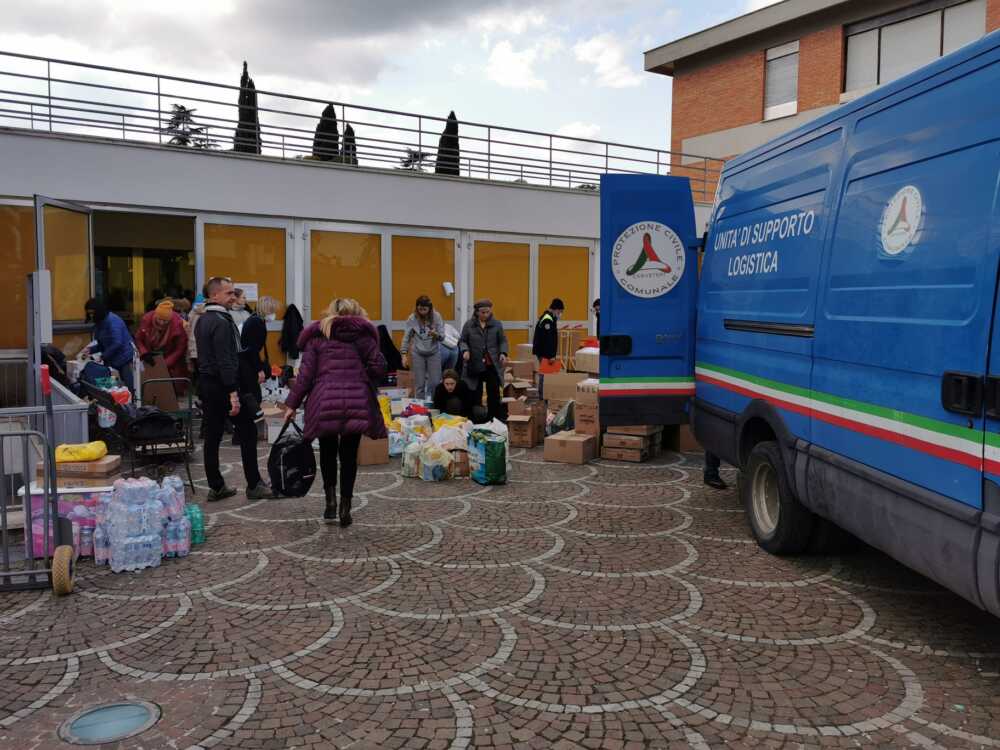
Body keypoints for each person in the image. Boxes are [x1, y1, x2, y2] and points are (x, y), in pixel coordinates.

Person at [283, 298, 387, 526]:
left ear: (330, 312)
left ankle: (329, 502)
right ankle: (345, 508)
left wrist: (291, 404)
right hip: (356, 400)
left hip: (324, 400)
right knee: (349, 456)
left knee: (328, 453)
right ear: (358, 312)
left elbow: (305, 377)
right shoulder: (364, 337)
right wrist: (362, 376)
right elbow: (379, 367)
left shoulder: (318, 337)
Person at [196, 276, 273, 502]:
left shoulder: (203, 320)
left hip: (208, 384)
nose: (233, 297)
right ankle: (254, 484)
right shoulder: (221, 321)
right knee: (248, 432)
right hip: (223, 385)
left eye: (233, 293)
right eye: (229, 293)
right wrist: (232, 392)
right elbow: (225, 360)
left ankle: (216, 486)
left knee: (213, 435)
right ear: (214, 295)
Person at [460, 299, 508, 422]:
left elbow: (502, 340)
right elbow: (462, 340)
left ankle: (493, 418)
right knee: (476, 392)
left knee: (494, 392)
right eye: (483, 312)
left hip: (491, 363)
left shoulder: (497, 324)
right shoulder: (469, 325)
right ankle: (476, 419)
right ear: (476, 312)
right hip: (475, 363)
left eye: (488, 312)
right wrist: (465, 350)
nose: (486, 315)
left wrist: (503, 353)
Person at [84, 298, 136, 393]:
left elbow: (117, 343)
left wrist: (103, 356)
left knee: (128, 386)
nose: (91, 316)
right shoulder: (100, 322)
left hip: (124, 358)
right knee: (112, 388)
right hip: (113, 358)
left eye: (92, 313)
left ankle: (130, 403)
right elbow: (103, 344)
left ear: (99, 312)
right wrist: (90, 350)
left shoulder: (113, 321)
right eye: (89, 313)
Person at [135, 299, 189, 387]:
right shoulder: (146, 319)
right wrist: (144, 353)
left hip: (170, 357)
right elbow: (138, 339)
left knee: (170, 386)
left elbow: (180, 348)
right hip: (149, 356)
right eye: (159, 319)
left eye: (165, 321)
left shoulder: (178, 325)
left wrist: (165, 364)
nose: (162, 323)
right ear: (155, 315)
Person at [401, 295, 444, 399]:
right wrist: (403, 355)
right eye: (420, 309)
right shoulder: (412, 318)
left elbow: (442, 337)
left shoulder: (437, 316)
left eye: (425, 309)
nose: (422, 312)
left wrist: (436, 335)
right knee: (419, 384)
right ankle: (420, 410)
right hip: (417, 353)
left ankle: (435, 406)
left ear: (430, 308)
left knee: (435, 383)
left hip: (433, 352)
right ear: (417, 308)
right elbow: (406, 337)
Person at [532, 298, 564, 399]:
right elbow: (548, 339)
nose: (560, 314)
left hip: (544, 352)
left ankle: (546, 395)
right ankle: (543, 397)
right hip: (544, 353)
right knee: (545, 375)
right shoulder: (548, 319)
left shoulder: (549, 318)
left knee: (547, 374)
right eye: (560, 311)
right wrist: (551, 356)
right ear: (556, 309)